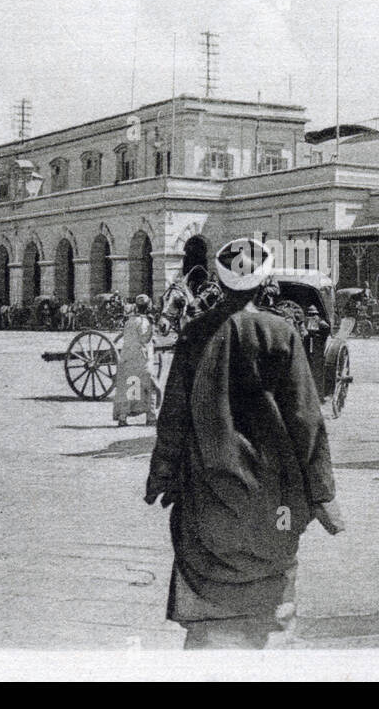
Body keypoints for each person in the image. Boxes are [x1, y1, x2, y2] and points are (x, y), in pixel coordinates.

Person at [145, 238, 343, 649]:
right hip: (273, 491)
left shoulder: (195, 335)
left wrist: (162, 475)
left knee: (207, 610)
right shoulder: (281, 333)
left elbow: (175, 415)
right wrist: (322, 495)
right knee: (269, 608)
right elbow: (306, 420)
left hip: (207, 487)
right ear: (264, 283)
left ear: (220, 281)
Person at [114, 294, 158, 426]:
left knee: (129, 388)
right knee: (151, 387)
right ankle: (151, 417)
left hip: (127, 359)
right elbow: (145, 339)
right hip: (142, 360)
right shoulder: (145, 322)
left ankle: (122, 417)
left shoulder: (129, 321)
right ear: (148, 306)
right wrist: (153, 326)